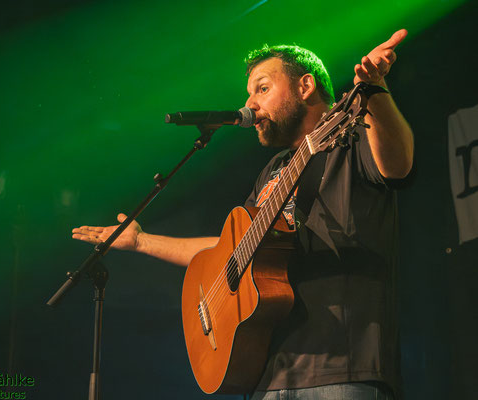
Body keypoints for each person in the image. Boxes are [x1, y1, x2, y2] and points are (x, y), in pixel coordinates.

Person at [72, 29, 414, 400]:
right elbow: (230, 252)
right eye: (250, 92)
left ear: (305, 86)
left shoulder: (352, 138)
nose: (250, 103)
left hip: (342, 372)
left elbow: (398, 164)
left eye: (262, 88)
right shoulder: (272, 170)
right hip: (268, 379)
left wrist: (374, 92)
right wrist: (140, 241)